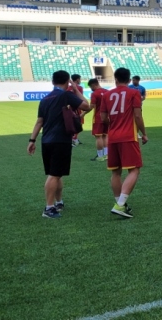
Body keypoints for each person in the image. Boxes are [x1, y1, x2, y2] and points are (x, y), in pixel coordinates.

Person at [26, 70, 90, 218]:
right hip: (60, 140)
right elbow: (87, 106)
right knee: (55, 175)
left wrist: (32, 140)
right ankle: (48, 208)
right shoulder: (66, 95)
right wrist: (75, 90)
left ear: (52, 81)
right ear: (68, 81)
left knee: (57, 173)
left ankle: (58, 202)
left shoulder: (45, 99)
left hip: (46, 140)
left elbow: (39, 122)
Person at [101, 68, 148, 218]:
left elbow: (103, 118)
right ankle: (120, 205)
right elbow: (137, 116)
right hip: (128, 136)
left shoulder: (107, 95)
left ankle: (120, 203)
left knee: (116, 172)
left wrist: (113, 124)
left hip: (112, 137)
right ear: (129, 80)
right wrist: (144, 134)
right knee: (134, 170)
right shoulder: (134, 93)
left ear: (115, 79)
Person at [87, 78, 109, 162]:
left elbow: (91, 106)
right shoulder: (107, 92)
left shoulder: (95, 93)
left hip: (98, 117)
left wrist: (83, 114)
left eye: (90, 87)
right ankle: (106, 155)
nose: (91, 89)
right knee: (105, 135)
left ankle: (100, 156)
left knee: (98, 136)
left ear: (93, 85)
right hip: (107, 117)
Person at [69, 74, 85, 147]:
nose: (80, 80)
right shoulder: (79, 88)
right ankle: (74, 139)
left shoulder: (68, 87)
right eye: (80, 79)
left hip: (69, 108)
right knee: (78, 123)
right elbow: (80, 98)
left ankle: (75, 139)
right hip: (77, 108)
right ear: (77, 79)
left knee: (71, 123)